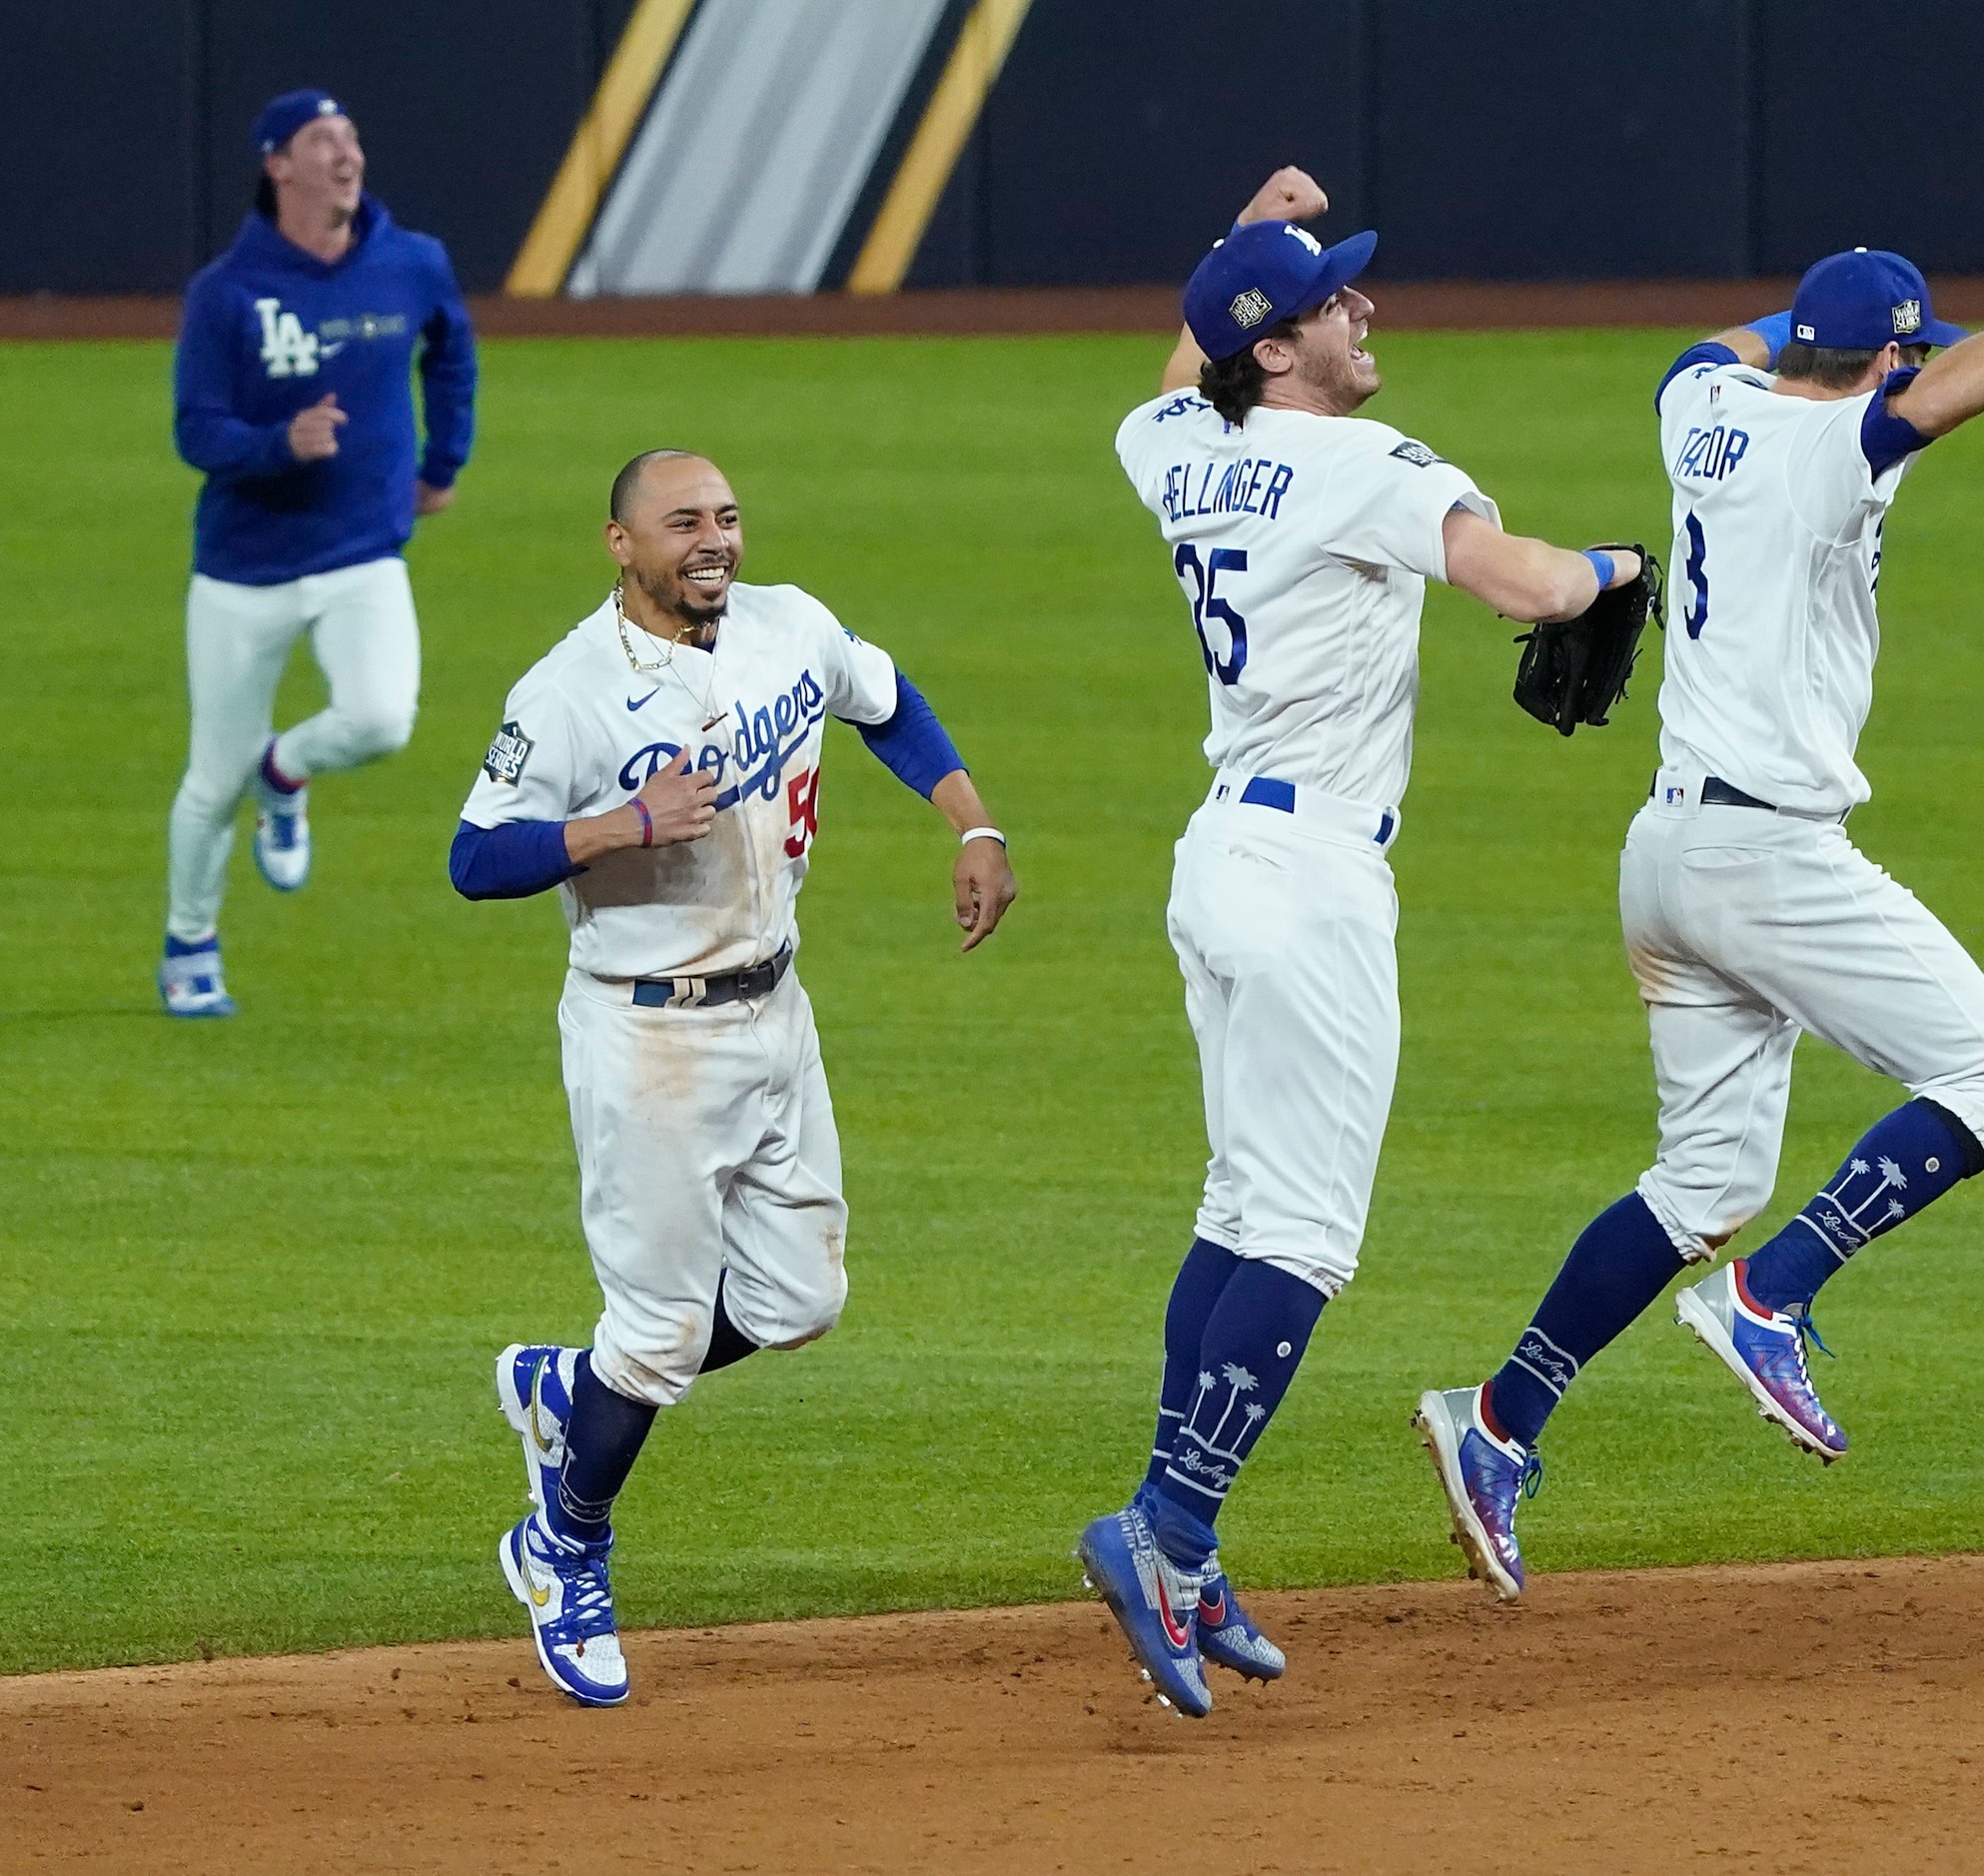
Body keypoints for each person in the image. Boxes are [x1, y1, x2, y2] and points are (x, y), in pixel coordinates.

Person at [1416, 242, 1984, 1600]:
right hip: (1764, 859)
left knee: (1705, 1183)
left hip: (1667, 854)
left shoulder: (1702, 404)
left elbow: (1742, 344)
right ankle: (1771, 1295)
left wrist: (1839, 328)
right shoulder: (1827, 445)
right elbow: (1943, 394)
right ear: (1881, 366)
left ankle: (1496, 1421)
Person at [1083, 167, 1652, 1715]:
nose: (1364, 306)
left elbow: (1174, 375)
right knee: (1304, 1238)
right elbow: (1521, 582)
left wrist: (1231, 245)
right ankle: (1171, 1523)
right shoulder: (1366, 464)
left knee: (1238, 1204)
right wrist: (1619, 567)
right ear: (1278, 350)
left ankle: (1178, 1545)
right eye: (1333, 296)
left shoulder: (1182, 444)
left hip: (1221, 857)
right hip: (1312, 879)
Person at [454, 451, 1017, 1706]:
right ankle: (563, 1545)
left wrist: (970, 822)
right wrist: (619, 826)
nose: (712, 541)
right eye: (682, 524)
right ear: (620, 544)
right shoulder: (569, 694)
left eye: (726, 518)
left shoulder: (787, 626)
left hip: (777, 1011)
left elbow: (888, 702)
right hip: (645, 1040)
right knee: (655, 1338)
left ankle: (567, 1389)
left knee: (796, 1301)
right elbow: (475, 857)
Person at [161, 89, 477, 1017]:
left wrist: (443, 460)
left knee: (381, 718)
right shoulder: (227, 292)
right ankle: (190, 944)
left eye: (351, 135)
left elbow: (450, 352)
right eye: (321, 140)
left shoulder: (412, 263)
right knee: (207, 784)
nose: (346, 154)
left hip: (361, 550)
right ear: (278, 164)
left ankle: (286, 770)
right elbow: (195, 430)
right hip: (243, 568)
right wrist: (275, 445)